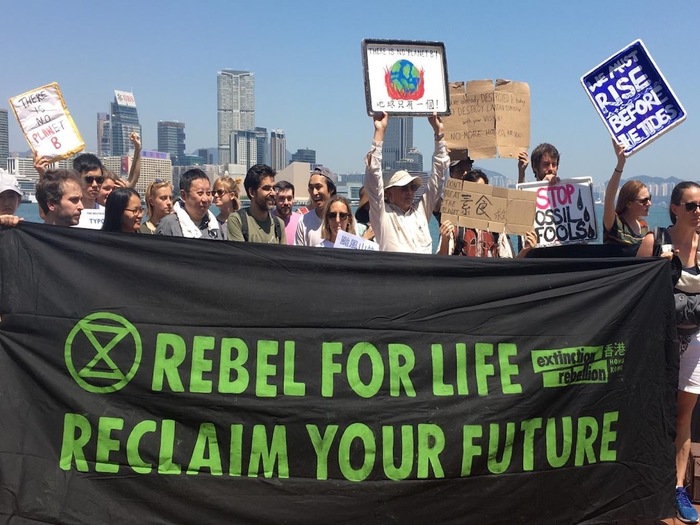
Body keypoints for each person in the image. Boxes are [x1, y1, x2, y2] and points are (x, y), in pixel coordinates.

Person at [660, 181, 700, 524]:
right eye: (691, 206)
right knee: (654, 412)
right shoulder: (656, 241)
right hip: (659, 343)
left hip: (695, 344)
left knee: (683, 417)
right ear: (675, 208)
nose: (698, 211)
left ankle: (676, 488)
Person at [365, 112, 448, 253]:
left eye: (412, 187)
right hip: (397, 275)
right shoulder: (382, 215)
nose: (409, 192)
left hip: (424, 274)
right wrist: (379, 132)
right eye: (403, 188)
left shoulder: (421, 211)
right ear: (388, 193)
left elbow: (438, 177)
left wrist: (439, 134)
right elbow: (373, 179)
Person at [436, 169, 537, 258]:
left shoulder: (497, 229)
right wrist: (445, 240)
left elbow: (510, 267)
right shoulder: (454, 227)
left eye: (482, 191)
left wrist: (525, 249)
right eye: (473, 191)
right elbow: (441, 263)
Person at [602, 139, 652, 251]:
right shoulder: (615, 224)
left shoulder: (644, 226)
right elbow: (609, 199)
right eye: (644, 200)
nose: (649, 203)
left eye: (649, 199)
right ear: (629, 203)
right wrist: (620, 164)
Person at [156, 169, 223, 240]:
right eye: (200, 193)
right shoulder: (169, 225)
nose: (205, 199)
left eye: (208, 193)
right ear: (183, 195)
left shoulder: (216, 227)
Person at [228, 164, 285, 244]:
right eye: (266, 188)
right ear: (252, 192)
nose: (273, 193)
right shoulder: (237, 221)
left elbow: (283, 255)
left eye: (274, 188)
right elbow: (239, 255)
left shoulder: (279, 224)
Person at [295, 167, 337, 246]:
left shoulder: (345, 219)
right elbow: (298, 254)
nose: (314, 192)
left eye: (318, 187)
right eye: (311, 188)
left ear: (331, 189)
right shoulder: (303, 221)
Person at [212, 175, 241, 240]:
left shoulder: (241, 221)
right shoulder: (212, 223)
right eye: (214, 192)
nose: (216, 195)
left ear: (232, 195)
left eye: (220, 192)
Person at [272, 180, 301, 245]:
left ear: (293, 199)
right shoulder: (268, 220)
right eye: (281, 198)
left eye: (289, 198)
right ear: (275, 200)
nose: (286, 202)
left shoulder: (301, 221)